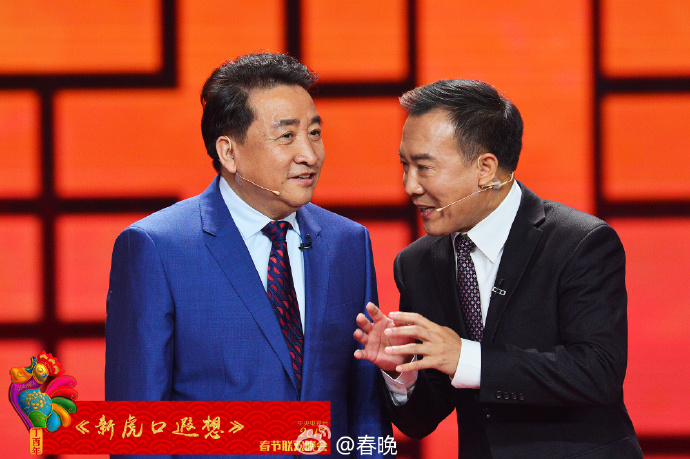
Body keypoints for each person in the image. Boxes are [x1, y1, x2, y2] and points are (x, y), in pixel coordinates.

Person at [105, 52, 392, 459]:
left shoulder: (347, 242)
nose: (310, 154)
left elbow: (365, 406)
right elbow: (137, 428)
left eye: (314, 133)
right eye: (286, 136)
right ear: (229, 152)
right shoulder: (156, 247)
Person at [354, 79, 642, 458]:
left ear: (485, 168)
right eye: (404, 165)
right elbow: (421, 419)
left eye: (424, 167)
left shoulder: (580, 242)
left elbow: (597, 372)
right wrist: (401, 374)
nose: (410, 185)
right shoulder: (417, 263)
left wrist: (467, 358)